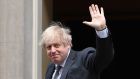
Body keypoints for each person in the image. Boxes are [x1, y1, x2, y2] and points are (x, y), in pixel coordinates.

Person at [40, 4, 114, 79]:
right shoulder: (51, 68)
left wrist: (101, 30)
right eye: (49, 47)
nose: (52, 50)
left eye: (56, 45)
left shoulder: (84, 59)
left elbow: (104, 57)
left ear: (68, 44)